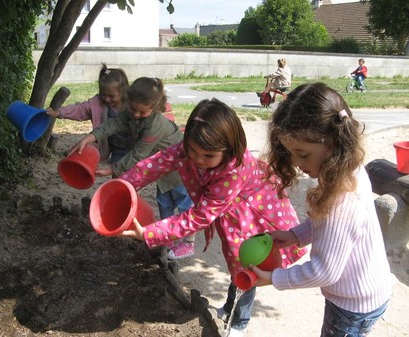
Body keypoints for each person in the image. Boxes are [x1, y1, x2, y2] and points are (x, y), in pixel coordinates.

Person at [117, 98, 308, 336]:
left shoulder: (234, 169)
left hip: (254, 213)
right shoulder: (192, 147)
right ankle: (230, 308)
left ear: (230, 149)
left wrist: (150, 233)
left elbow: (200, 217)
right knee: (236, 265)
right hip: (229, 211)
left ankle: (240, 321)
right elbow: (156, 164)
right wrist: (124, 183)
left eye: (208, 156)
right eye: (192, 151)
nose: (197, 159)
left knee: (248, 266)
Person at [251, 82, 392, 336]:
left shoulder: (342, 198)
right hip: (366, 292)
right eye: (291, 153)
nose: (295, 163)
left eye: (303, 155)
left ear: (333, 143)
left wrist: (274, 278)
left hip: (352, 308)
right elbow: (327, 225)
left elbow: (323, 272)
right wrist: (296, 236)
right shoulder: (349, 169)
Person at [71, 77, 195, 260]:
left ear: (154, 107)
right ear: (127, 101)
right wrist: (90, 138)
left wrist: (112, 169)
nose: (135, 115)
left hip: (180, 168)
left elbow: (138, 154)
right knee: (164, 202)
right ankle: (167, 237)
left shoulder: (155, 125)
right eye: (133, 109)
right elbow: (112, 124)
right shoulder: (131, 112)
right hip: (161, 167)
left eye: (142, 112)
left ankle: (188, 243)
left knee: (185, 204)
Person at [47, 64, 131, 164]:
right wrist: (59, 112)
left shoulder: (132, 105)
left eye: (111, 96)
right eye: (104, 95)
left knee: (131, 173)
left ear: (123, 92)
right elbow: (80, 109)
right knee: (116, 170)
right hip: (108, 144)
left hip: (132, 145)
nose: (107, 99)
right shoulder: (98, 103)